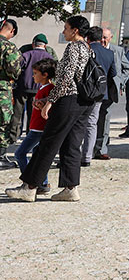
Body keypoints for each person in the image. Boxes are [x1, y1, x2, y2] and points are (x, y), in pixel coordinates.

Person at [6, 15, 96, 203]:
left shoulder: (73, 47)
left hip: (68, 100)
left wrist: (50, 101)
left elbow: (66, 79)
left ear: (75, 31)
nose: (63, 32)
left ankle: (29, 187)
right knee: (72, 145)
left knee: (48, 143)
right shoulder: (88, 48)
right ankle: (71, 189)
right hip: (83, 102)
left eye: (66, 28)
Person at [13, 58, 56, 195]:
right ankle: (42, 183)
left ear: (45, 75)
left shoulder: (49, 89)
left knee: (20, 153)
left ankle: (29, 180)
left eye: (35, 73)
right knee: (38, 156)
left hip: (39, 129)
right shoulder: (43, 87)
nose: (33, 76)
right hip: (36, 127)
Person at [82, 26, 116, 164]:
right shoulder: (109, 54)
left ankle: (75, 154)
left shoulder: (86, 50)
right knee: (92, 124)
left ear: (88, 38)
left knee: (78, 124)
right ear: (101, 38)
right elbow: (113, 74)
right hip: (100, 93)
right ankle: (87, 157)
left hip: (83, 92)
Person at [0, 19, 23, 168]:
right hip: (2, 88)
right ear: (12, 31)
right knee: (3, 121)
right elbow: (14, 70)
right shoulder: (8, 46)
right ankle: (1, 156)